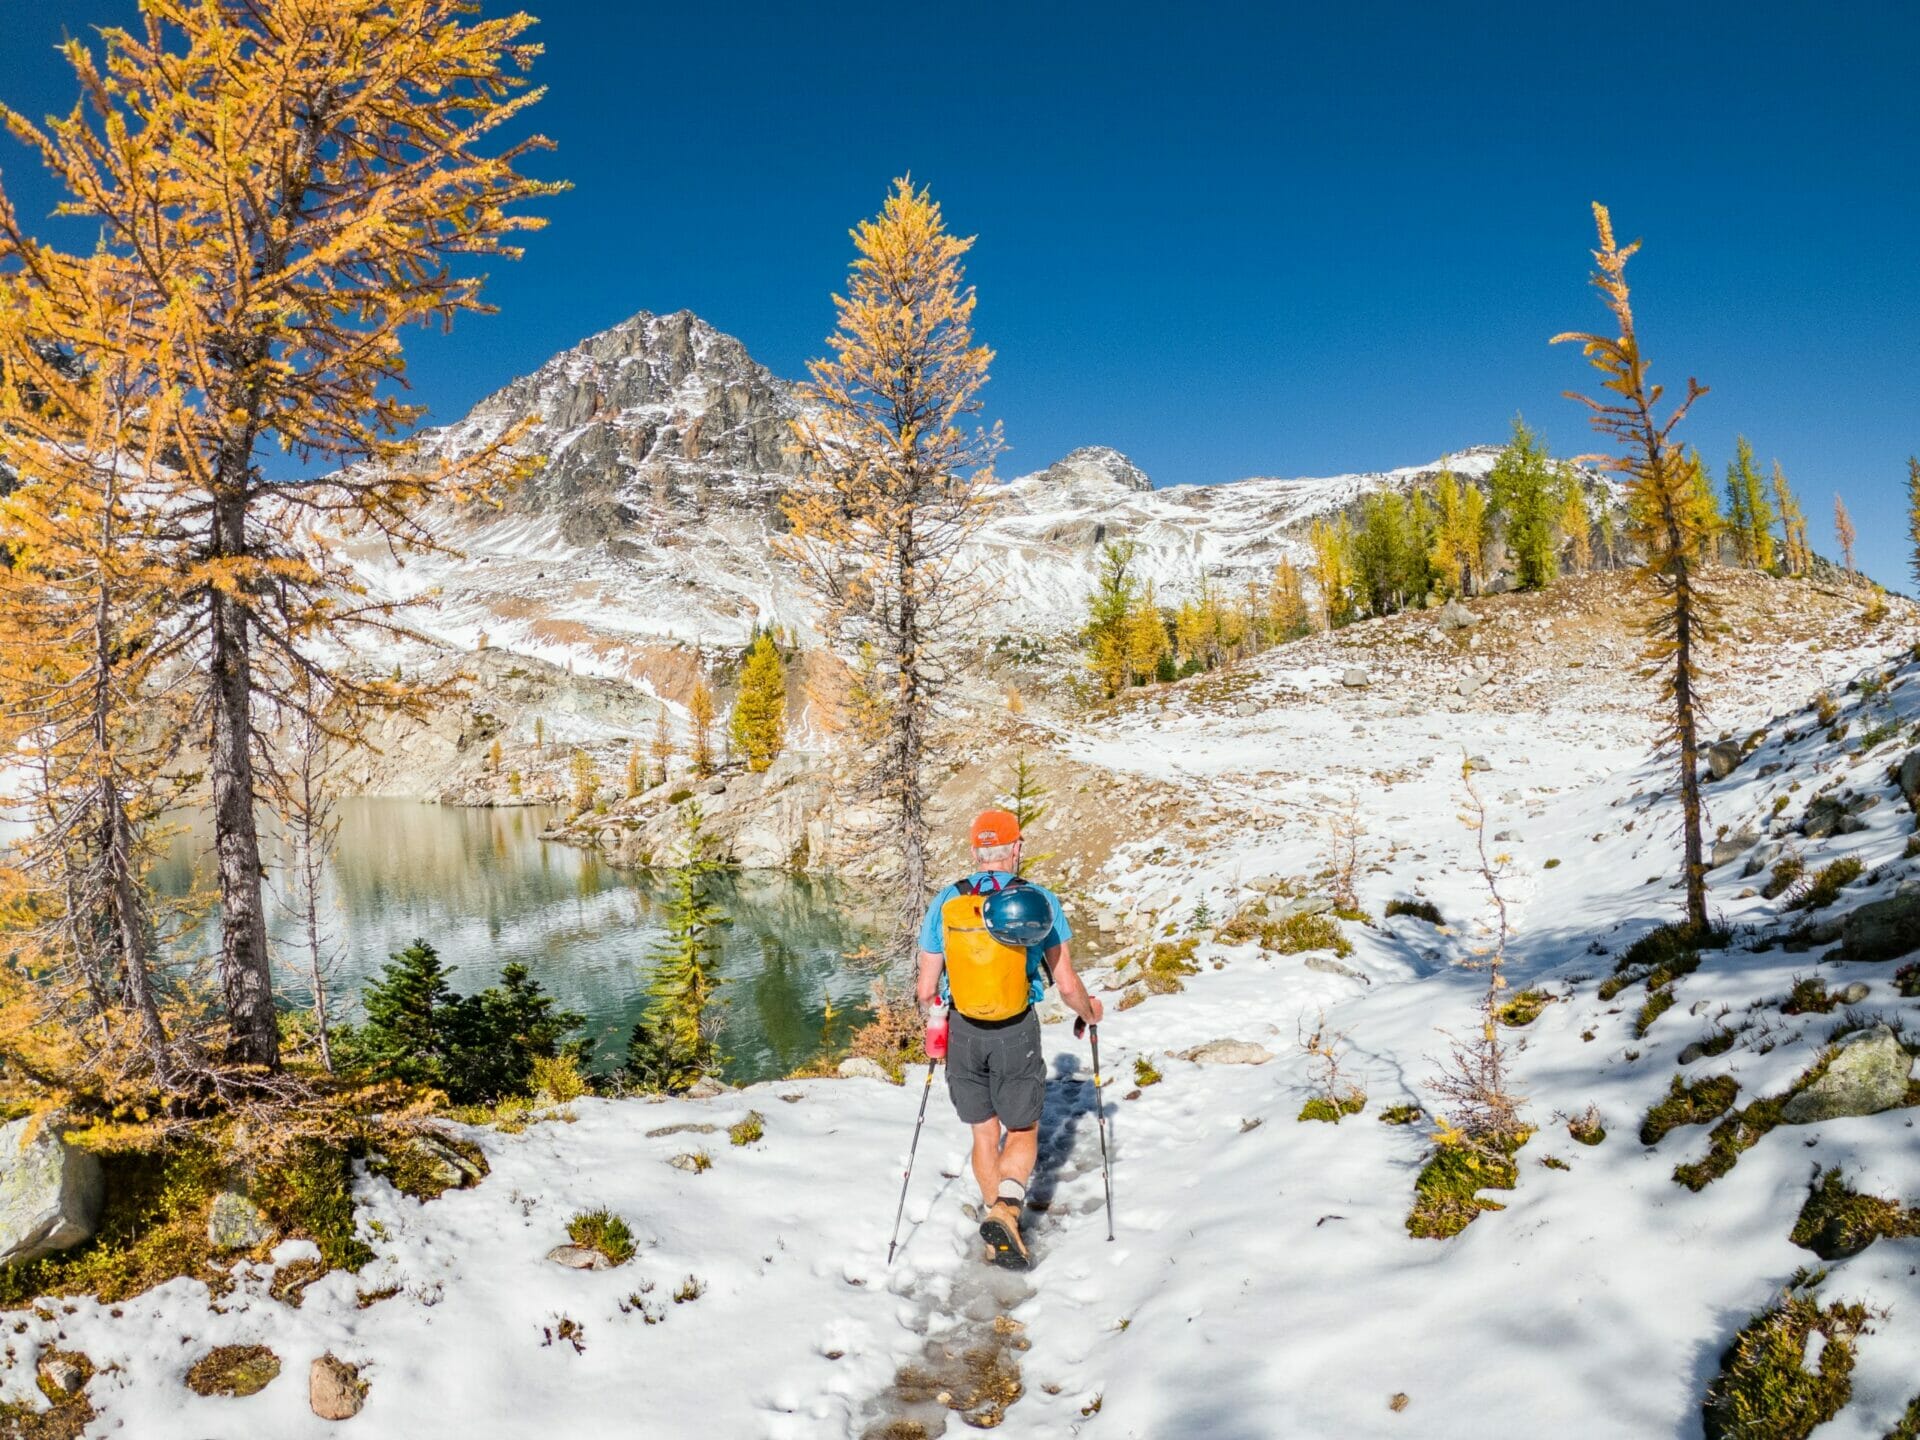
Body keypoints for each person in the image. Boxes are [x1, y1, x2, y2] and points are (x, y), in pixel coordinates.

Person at [916, 807, 1103, 1270]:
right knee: (1022, 1129)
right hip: (1015, 1030)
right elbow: (1065, 985)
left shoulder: (947, 901)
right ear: (1016, 847)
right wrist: (1090, 1013)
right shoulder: (1039, 900)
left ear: (976, 852)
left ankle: (995, 1221)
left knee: (984, 1130)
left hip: (962, 1028)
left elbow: (925, 989)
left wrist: (941, 1018)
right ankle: (1006, 1210)